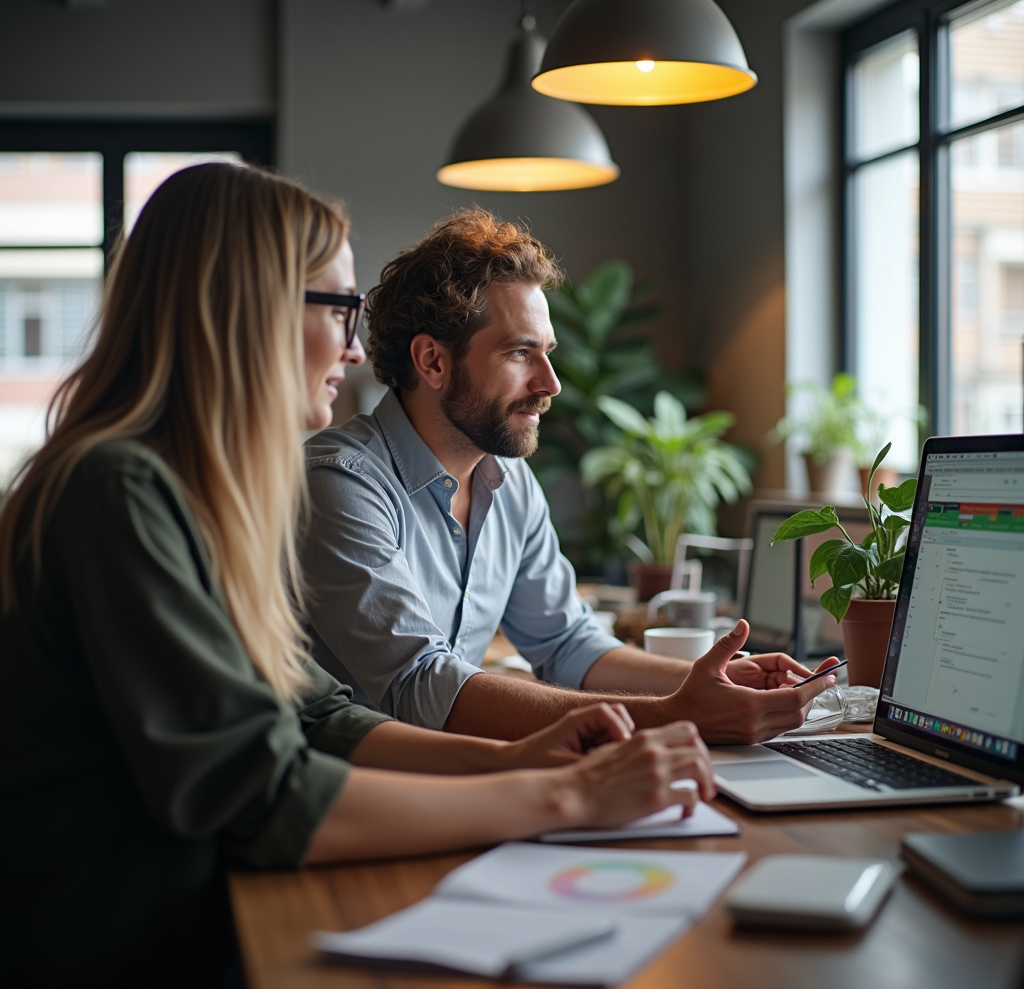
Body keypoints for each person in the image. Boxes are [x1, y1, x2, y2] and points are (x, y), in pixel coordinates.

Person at [0, 164, 715, 989]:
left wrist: (530, 758)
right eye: (338, 308)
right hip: (129, 952)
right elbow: (267, 796)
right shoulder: (118, 493)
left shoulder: (189, 496)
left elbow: (315, 713)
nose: (352, 346)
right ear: (248, 310)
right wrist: (569, 798)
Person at [301, 208, 839, 744]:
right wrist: (680, 713)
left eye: (547, 353)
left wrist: (712, 681)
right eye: (520, 353)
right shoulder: (339, 484)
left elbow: (568, 643)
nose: (551, 383)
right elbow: (422, 685)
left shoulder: (509, 483)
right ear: (433, 361)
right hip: (352, 783)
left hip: (456, 772)